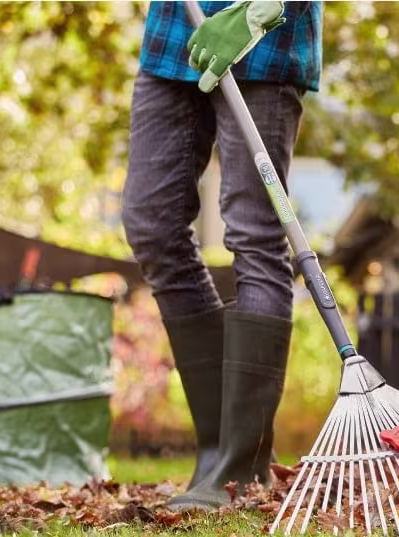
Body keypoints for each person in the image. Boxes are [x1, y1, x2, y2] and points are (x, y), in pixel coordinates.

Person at [121, 1, 322, 510]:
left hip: (261, 41)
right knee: (152, 225)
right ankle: (215, 453)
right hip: (174, 36)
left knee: (255, 234)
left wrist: (259, 11)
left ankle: (242, 467)